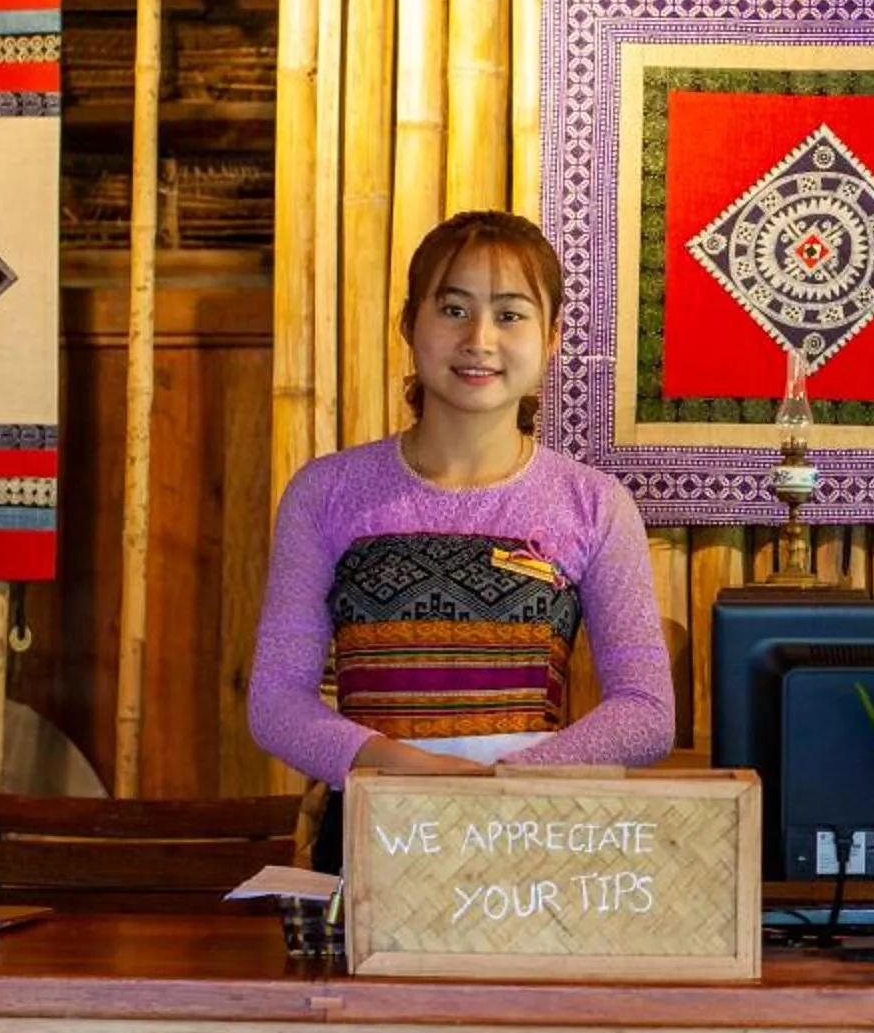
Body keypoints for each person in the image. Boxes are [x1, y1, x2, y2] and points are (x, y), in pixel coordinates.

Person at [248, 210, 676, 806]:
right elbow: (276, 701)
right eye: (453, 310)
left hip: (525, 836)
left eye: (510, 315)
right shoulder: (325, 492)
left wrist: (508, 778)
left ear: (550, 339)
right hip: (371, 828)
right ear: (409, 324)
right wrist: (391, 765)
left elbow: (647, 711)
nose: (479, 340)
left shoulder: (595, 505)